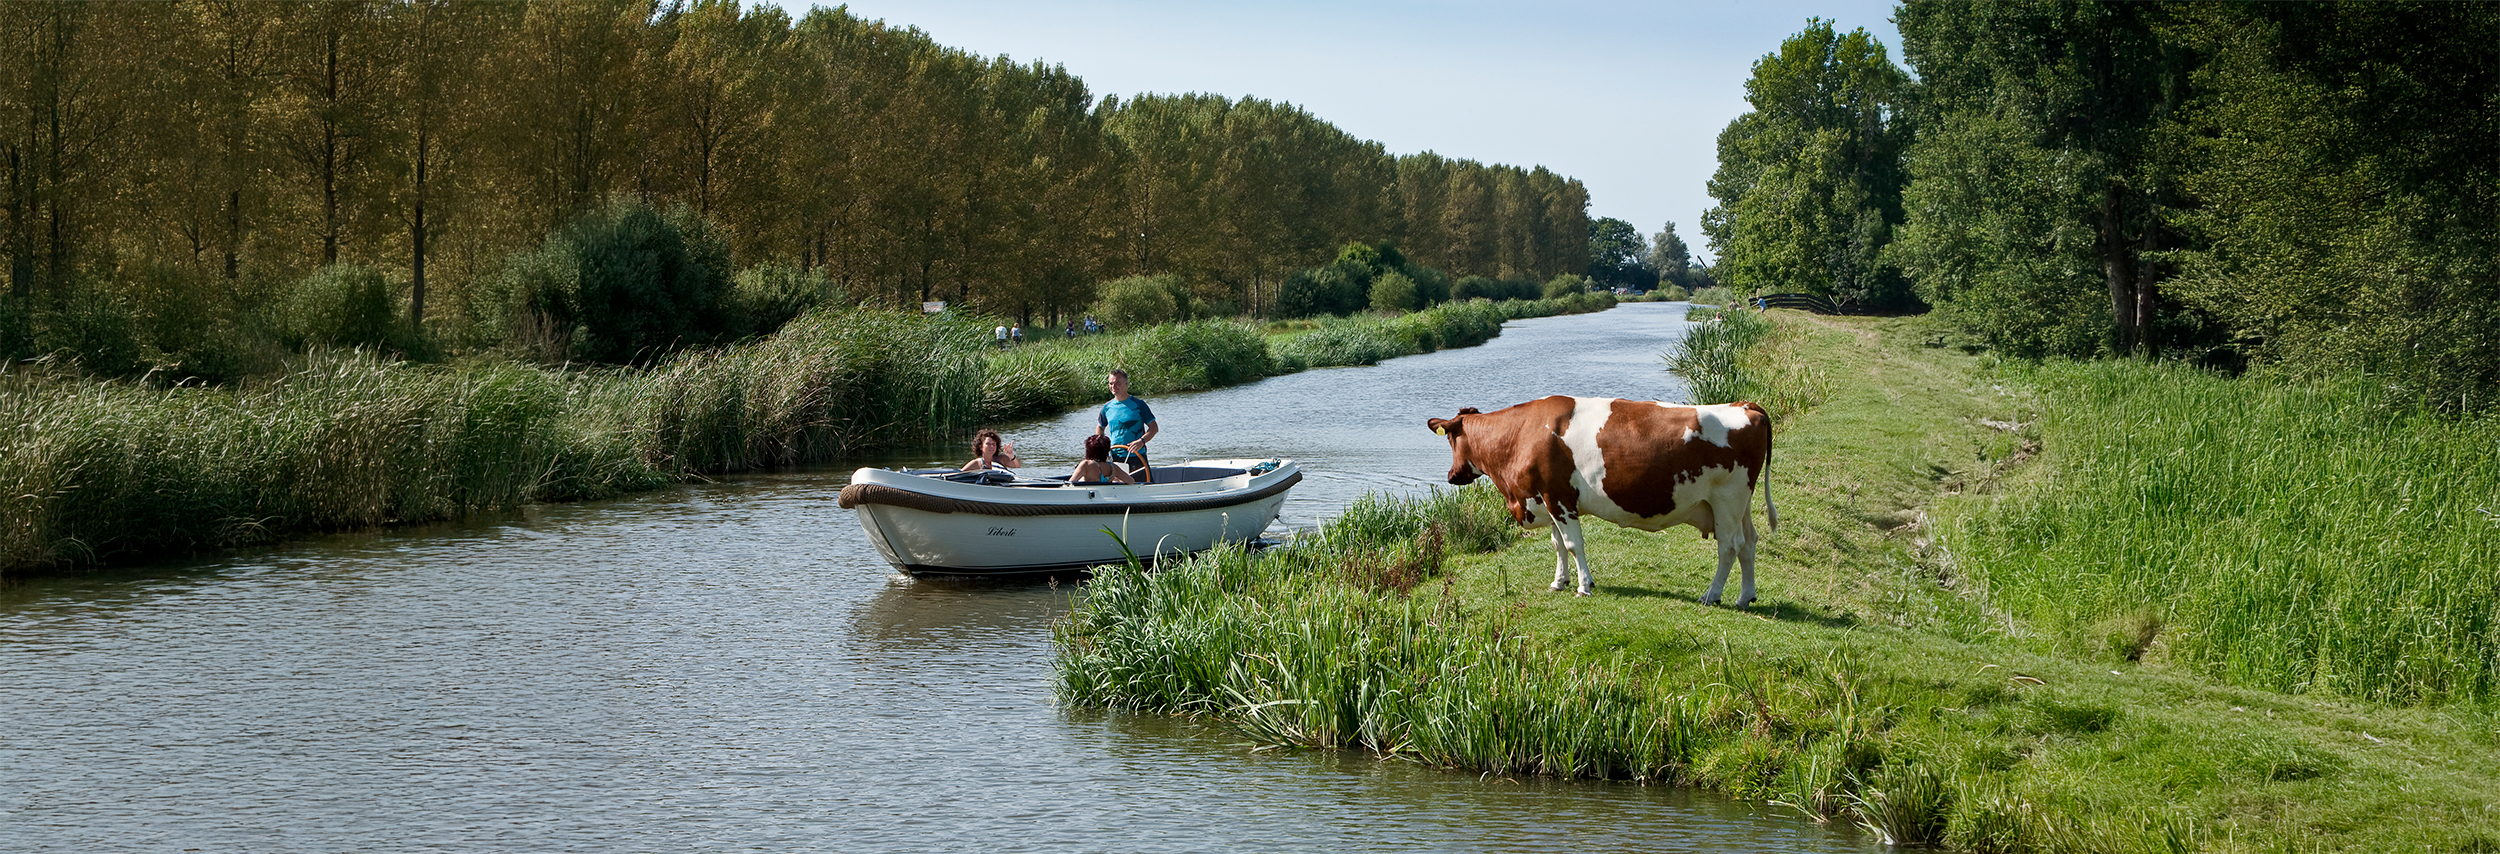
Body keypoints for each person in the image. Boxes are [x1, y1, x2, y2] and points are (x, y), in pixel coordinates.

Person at [1095, 368, 1157, 482]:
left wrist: (1141, 441)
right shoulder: (1107, 407)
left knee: (1143, 487)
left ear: (1126, 384)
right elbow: (1100, 427)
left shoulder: (1138, 405)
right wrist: (1102, 447)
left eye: (1117, 383)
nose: (1113, 386)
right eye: (1111, 383)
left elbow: (1154, 428)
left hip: (1137, 457)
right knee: (1118, 489)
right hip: (1115, 456)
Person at [1068, 434, 1134, 484]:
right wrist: (1116, 479)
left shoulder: (1086, 464)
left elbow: (1071, 483)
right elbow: (1131, 481)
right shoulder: (1112, 467)